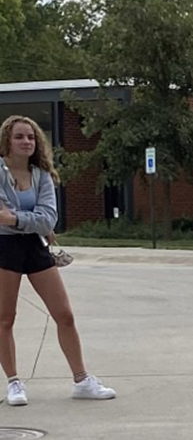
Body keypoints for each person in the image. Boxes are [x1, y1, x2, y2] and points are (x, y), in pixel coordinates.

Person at [0, 115, 115, 405]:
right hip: (4, 248)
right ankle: (14, 383)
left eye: (31, 137)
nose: (26, 141)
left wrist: (15, 218)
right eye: (19, 137)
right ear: (7, 141)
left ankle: (82, 380)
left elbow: (49, 218)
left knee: (64, 314)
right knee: (5, 319)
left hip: (35, 248)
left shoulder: (42, 175)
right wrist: (31, 221)